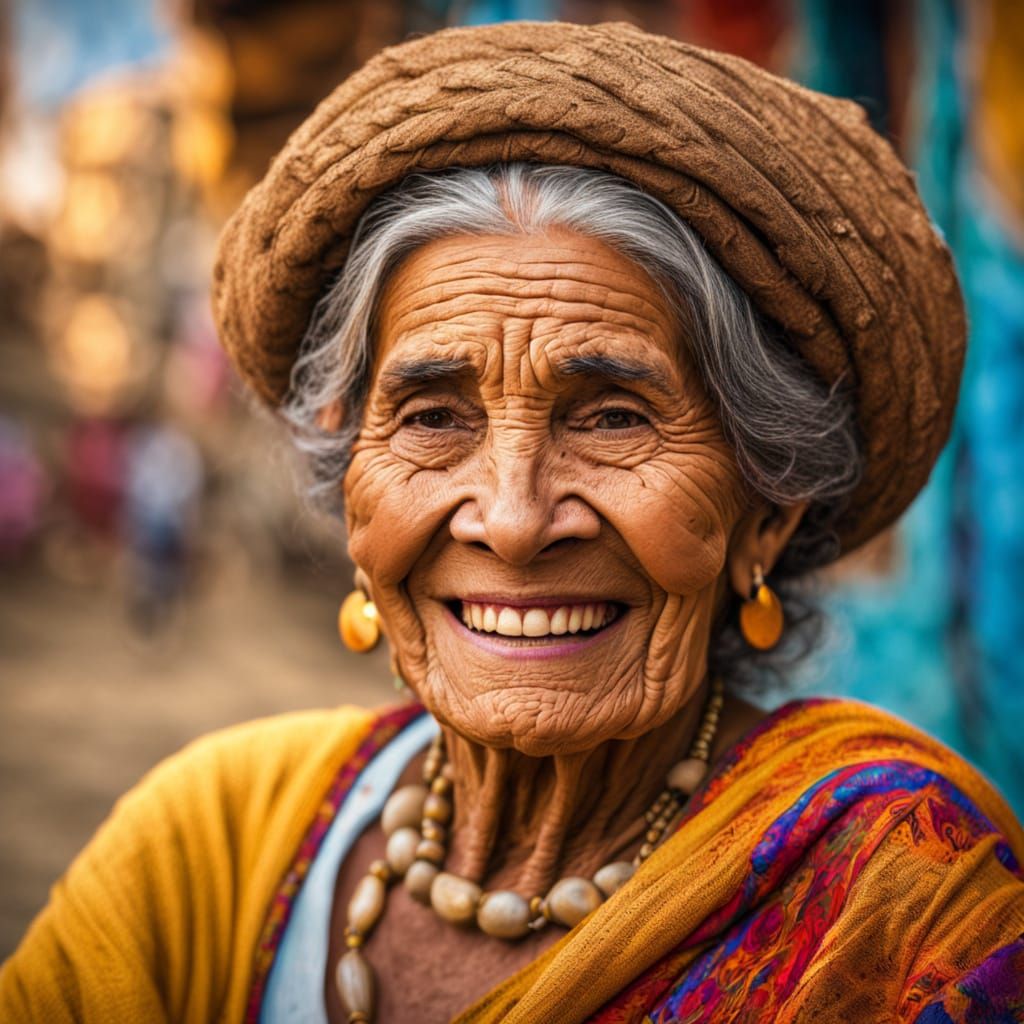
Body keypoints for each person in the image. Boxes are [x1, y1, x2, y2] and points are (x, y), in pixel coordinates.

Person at [3, 21, 1023, 1024]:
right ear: (353, 478)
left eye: (615, 417)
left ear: (766, 508)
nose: (512, 518)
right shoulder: (213, 844)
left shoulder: (904, 906)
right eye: (433, 417)